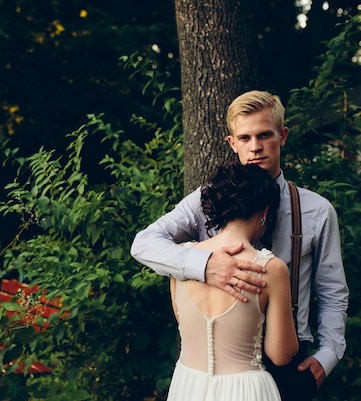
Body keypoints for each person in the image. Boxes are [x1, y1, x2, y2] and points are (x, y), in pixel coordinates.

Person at [131, 90, 349, 401]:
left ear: (282, 136)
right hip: (219, 363)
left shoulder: (316, 210)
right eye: (245, 138)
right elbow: (144, 243)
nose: (255, 147)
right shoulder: (207, 201)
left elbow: (333, 291)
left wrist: (328, 355)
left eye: (264, 135)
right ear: (232, 143)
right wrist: (206, 266)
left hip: (290, 362)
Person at [167, 162, 298, 401]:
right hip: (246, 391)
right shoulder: (270, 268)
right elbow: (281, 354)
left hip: (188, 386)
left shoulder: (180, 259)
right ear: (266, 212)